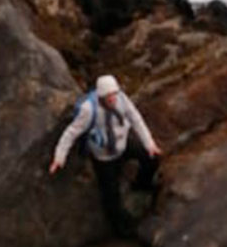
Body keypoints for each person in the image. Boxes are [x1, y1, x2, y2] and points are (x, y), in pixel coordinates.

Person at [49, 75, 162, 236]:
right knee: (111, 196)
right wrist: (59, 158)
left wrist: (149, 144)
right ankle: (122, 228)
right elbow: (71, 133)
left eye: (113, 95)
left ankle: (141, 184)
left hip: (122, 145)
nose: (112, 99)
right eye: (107, 97)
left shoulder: (121, 99)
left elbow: (135, 119)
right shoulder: (89, 110)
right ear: (100, 96)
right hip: (104, 158)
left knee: (151, 158)